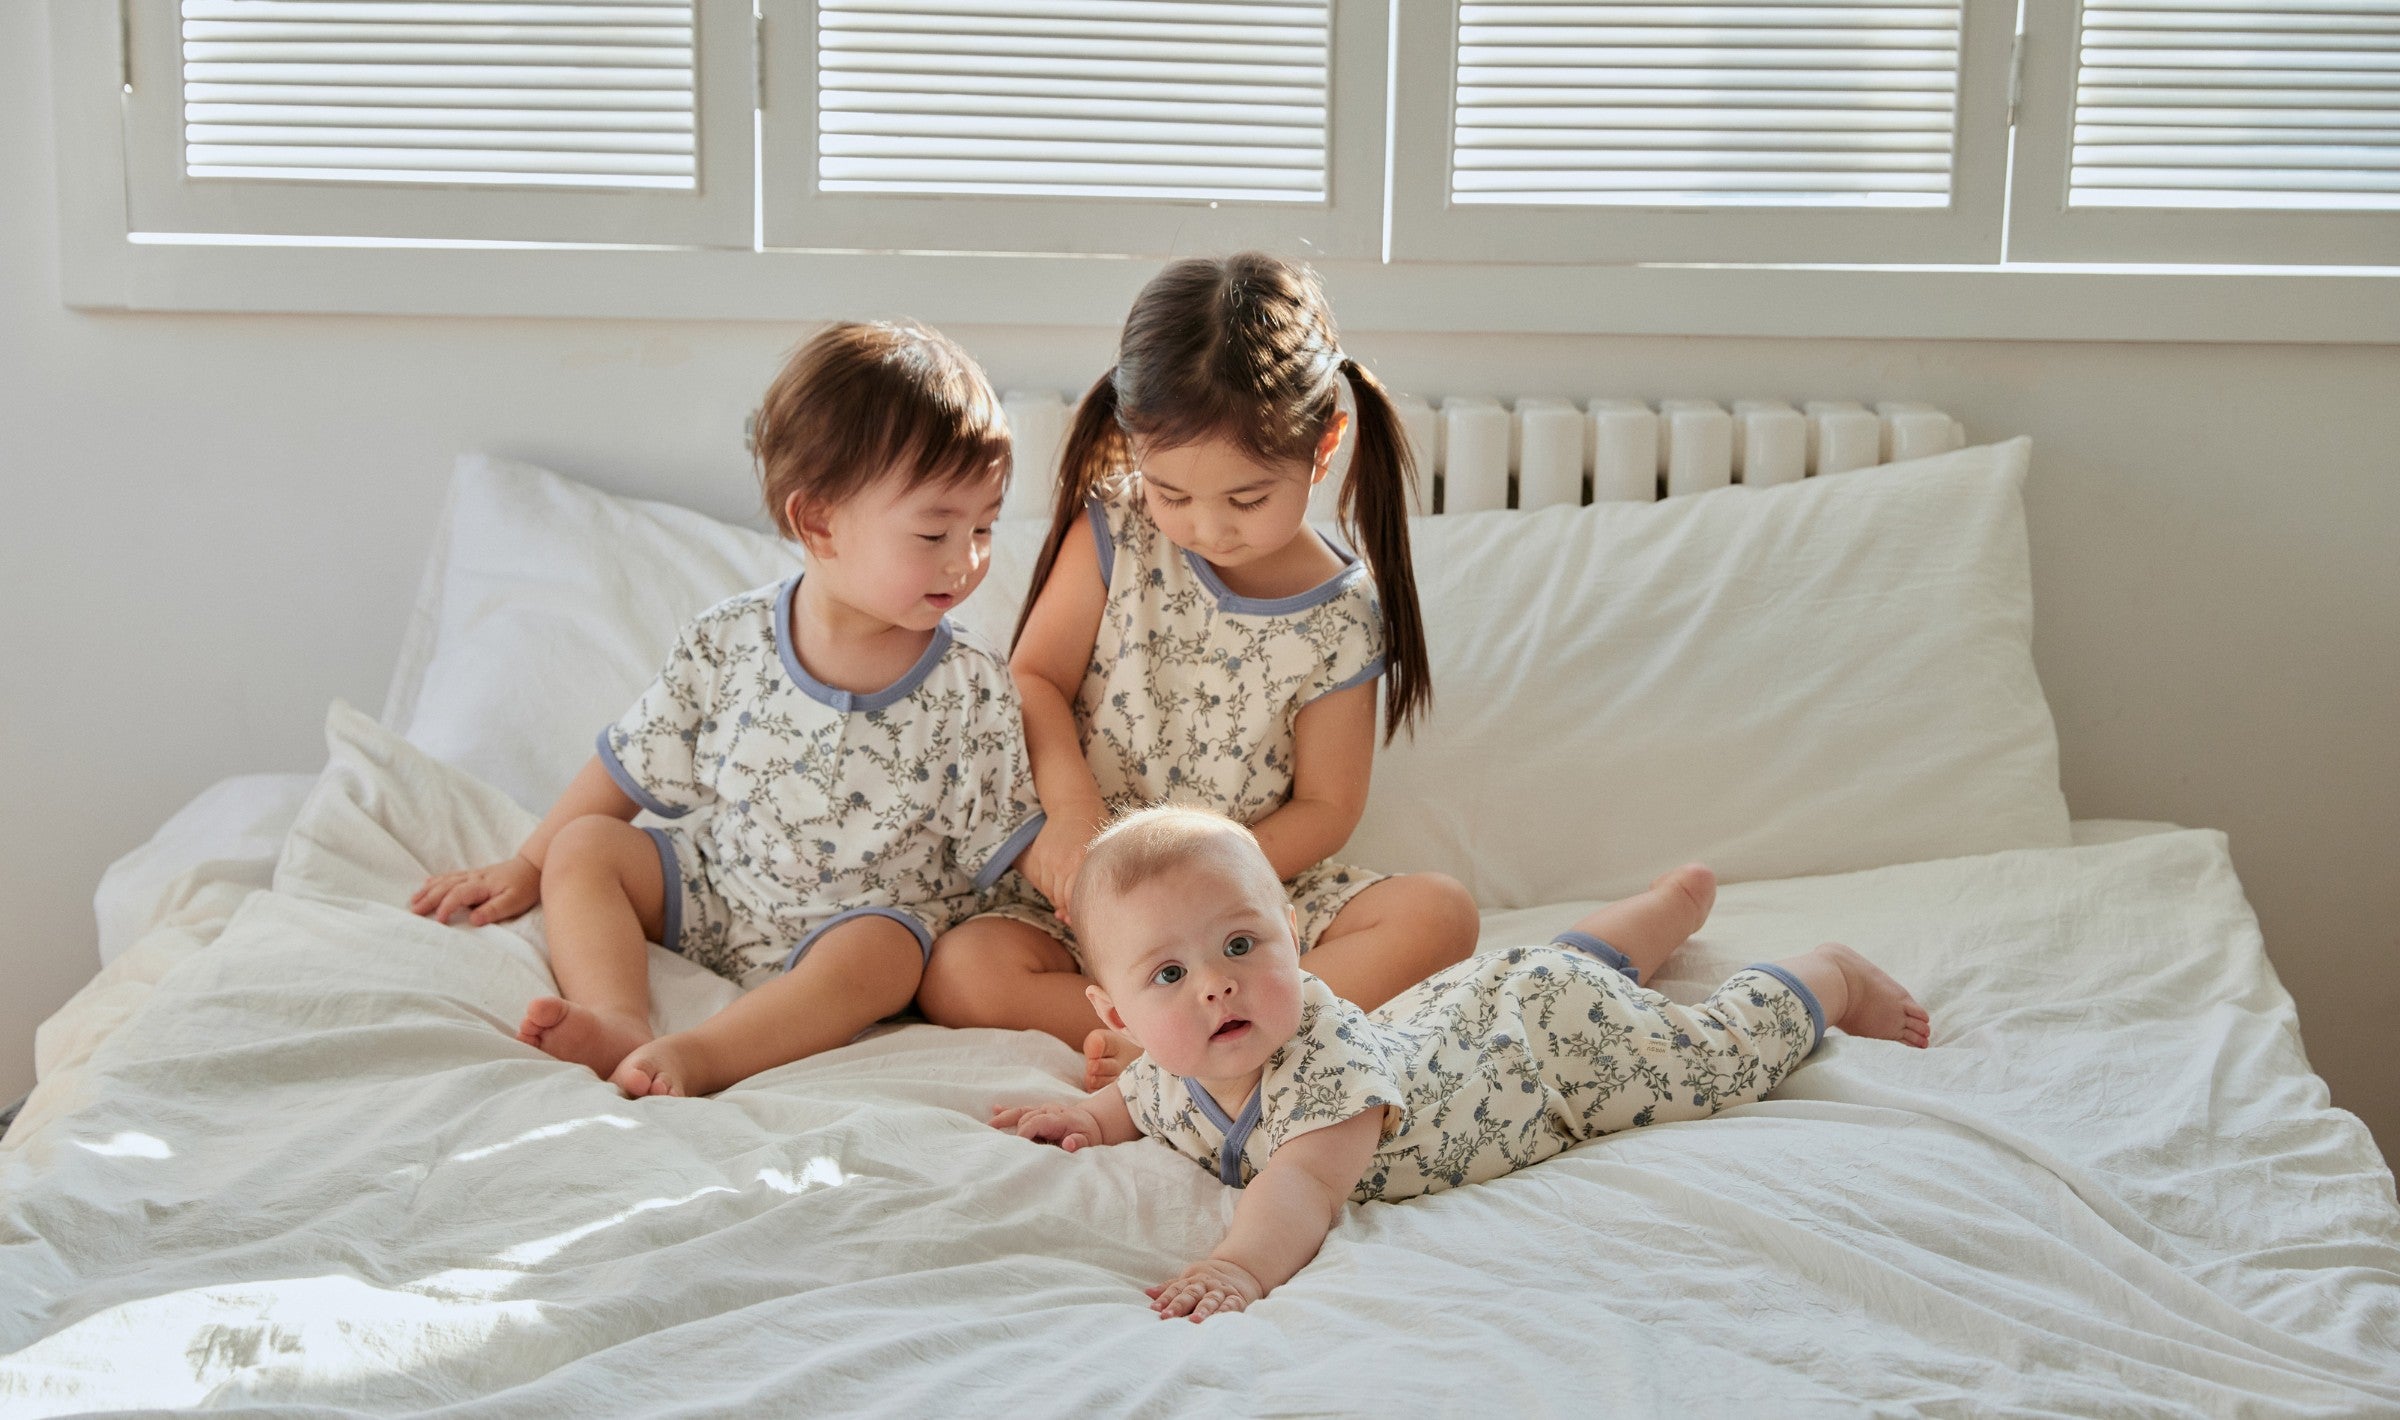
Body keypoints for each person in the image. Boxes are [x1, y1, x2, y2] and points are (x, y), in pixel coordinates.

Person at [411, 321, 1044, 1099]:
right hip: (723, 889)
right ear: (817, 522)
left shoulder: (969, 681)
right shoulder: (728, 641)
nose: (967, 558)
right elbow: (631, 763)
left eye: (984, 527)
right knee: (584, 846)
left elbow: (1008, 843)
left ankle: (707, 1054)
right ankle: (616, 1018)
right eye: (934, 530)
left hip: (865, 922)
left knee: (885, 956)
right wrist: (527, 862)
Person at [990, 806, 1931, 1320]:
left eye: (1242, 946)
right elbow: (1141, 1101)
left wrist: (1237, 1268)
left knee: (1701, 1066)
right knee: (1562, 970)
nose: (1215, 989)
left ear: (1290, 933)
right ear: (1116, 1013)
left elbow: (1303, 1192)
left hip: (1550, 1062)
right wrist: (1089, 1119)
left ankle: (1826, 978)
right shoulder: (1165, 1066)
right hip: (1487, 1006)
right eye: (1169, 973)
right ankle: (1666, 914)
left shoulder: (1326, 1071)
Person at [917, 253, 1482, 1088]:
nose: (1206, 527)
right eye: (1172, 492)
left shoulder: (1340, 617)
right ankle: (1175, 1030)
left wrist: (1210, 881)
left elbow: (1328, 806)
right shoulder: (1117, 530)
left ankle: (1182, 1035)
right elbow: (1033, 679)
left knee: (1442, 916)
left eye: (1247, 499)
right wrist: (1074, 824)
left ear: (1324, 444)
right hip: (1092, 894)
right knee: (957, 970)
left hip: (1238, 916)